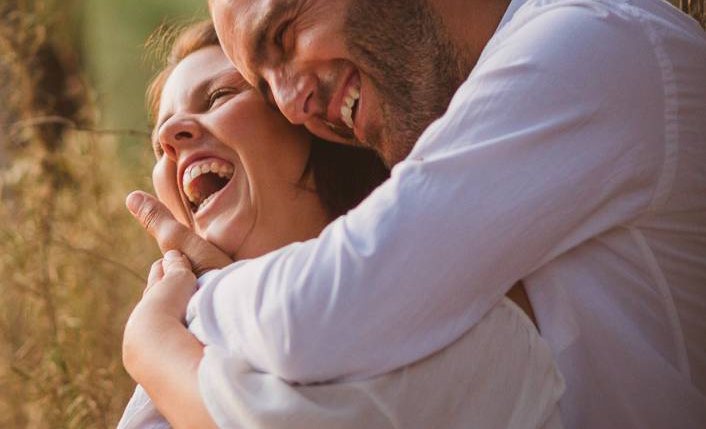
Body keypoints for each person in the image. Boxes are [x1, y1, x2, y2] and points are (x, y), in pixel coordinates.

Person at [126, 0, 706, 428]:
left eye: (284, 36)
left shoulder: (584, 48)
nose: (292, 104)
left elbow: (325, 314)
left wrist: (174, 314)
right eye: (265, 84)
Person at [119, 21, 564, 428]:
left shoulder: (458, 320)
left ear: (315, 124)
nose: (169, 134)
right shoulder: (193, 334)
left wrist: (153, 348)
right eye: (159, 146)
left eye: (218, 97)